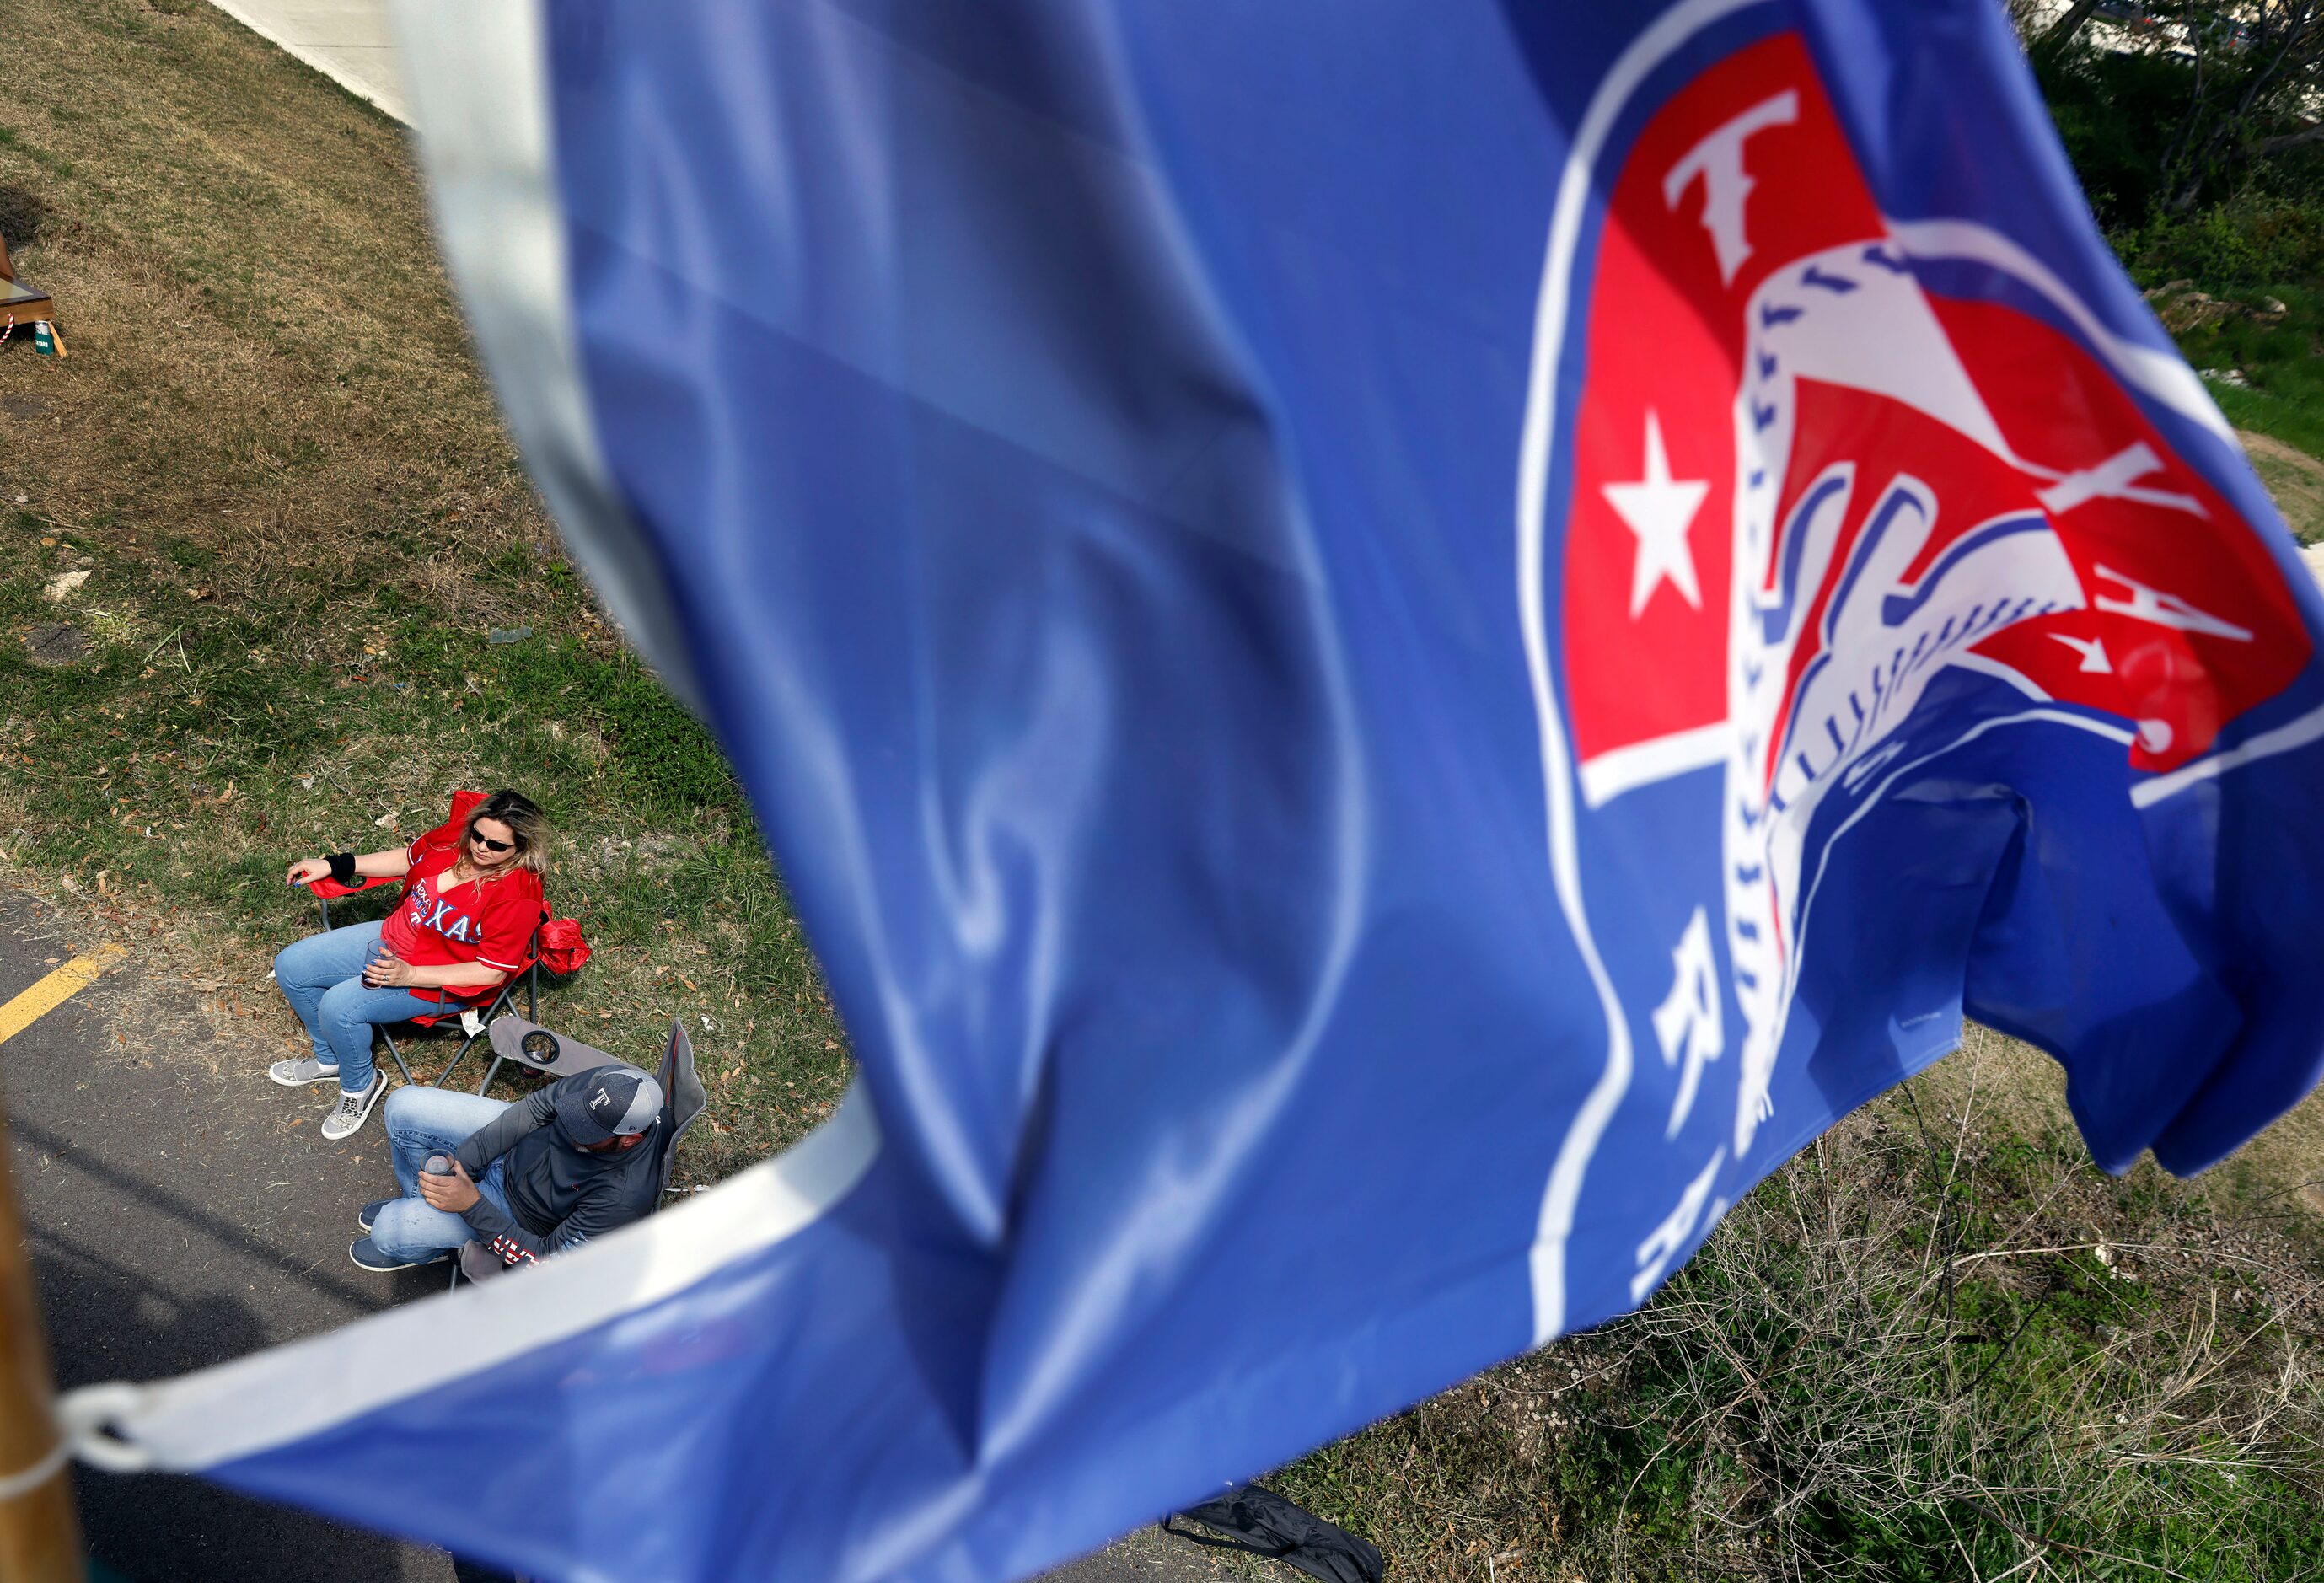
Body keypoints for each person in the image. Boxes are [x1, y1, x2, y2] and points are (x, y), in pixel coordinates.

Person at [272, 790, 550, 1140]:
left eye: (497, 846)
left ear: (521, 847)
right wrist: (334, 864)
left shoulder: (517, 893)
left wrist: (411, 974)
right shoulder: (454, 840)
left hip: (442, 974)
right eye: (478, 835)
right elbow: (407, 858)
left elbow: (492, 970)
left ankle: (360, 1085)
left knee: (339, 1008)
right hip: (394, 937)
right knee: (291, 966)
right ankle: (331, 1058)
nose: (481, 847)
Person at [350, 1064, 663, 1272]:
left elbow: (544, 1260)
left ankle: (421, 1250)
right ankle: (426, 1201)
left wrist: (470, 1204)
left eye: (587, 1132)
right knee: (402, 1105)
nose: (571, 1127)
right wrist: (466, 1166)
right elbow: (536, 1108)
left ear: (628, 1140)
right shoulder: (614, 1083)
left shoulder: (622, 1198)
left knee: (389, 1230)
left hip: (515, 1213)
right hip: (517, 1149)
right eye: (577, 1114)